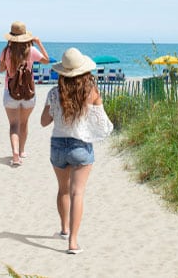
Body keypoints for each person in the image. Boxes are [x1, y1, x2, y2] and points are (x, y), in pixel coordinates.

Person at [40, 47, 114, 255]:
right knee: (77, 192)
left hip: (58, 146)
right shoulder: (91, 92)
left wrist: (57, 111)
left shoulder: (54, 93)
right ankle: (72, 242)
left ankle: (64, 229)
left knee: (63, 189)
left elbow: (44, 122)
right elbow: (103, 124)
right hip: (80, 146)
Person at [0, 21, 50, 166]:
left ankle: (15, 154)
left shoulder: (6, 51)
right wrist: (39, 43)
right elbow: (47, 60)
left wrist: (7, 62)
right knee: (24, 122)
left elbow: (1, 69)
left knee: (14, 125)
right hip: (28, 93)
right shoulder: (31, 50)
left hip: (10, 92)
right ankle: (21, 151)